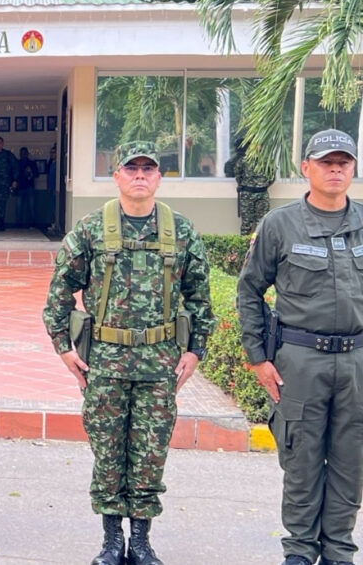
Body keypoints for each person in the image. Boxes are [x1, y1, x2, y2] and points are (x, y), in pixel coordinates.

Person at [42, 141, 214, 565]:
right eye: (131, 168)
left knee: (150, 452)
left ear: (159, 178)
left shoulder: (182, 232)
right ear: (116, 176)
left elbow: (200, 299)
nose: (140, 175)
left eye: (148, 169)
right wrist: (64, 348)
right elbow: (59, 293)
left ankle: (140, 540)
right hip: (105, 363)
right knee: (108, 452)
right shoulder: (90, 230)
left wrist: (195, 351)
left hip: (160, 364)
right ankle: (110, 541)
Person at [237, 129, 363, 565]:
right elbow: (249, 291)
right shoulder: (279, 225)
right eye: (326, 162)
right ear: (305, 168)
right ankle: (299, 552)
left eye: (343, 162)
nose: (335, 169)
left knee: (352, 460)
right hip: (301, 362)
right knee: (302, 460)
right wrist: (258, 358)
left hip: (357, 362)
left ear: (353, 169)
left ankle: (339, 553)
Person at [224, 137, 275, 235]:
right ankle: (244, 247)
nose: (257, 147)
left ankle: (260, 248)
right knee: (246, 224)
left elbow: (272, 177)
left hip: (262, 194)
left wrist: (263, 185)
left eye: (259, 145)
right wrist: (246, 184)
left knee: (262, 223)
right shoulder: (244, 160)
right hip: (247, 194)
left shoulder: (267, 161)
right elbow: (238, 174)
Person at [16, 146, 39, 228]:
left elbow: (37, 174)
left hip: (30, 187)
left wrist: (31, 173)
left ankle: (33, 223)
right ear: (20, 154)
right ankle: (18, 224)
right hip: (20, 187)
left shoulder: (32, 163)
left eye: (25, 153)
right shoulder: (17, 163)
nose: (23, 155)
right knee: (19, 207)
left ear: (28, 154)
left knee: (32, 206)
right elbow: (15, 174)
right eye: (22, 153)